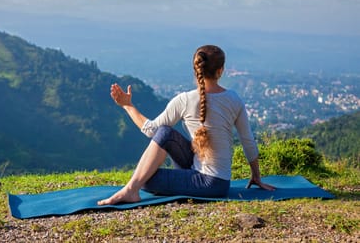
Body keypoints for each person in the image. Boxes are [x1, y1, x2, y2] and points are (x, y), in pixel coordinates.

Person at [98, 45, 275, 206]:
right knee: (165, 134)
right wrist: (256, 176)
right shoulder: (234, 99)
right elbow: (248, 141)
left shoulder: (184, 100)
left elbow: (150, 130)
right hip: (219, 181)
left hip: (209, 184)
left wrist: (128, 106)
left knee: (144, 179)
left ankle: (131, 190)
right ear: (221, 71)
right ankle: (132, 188)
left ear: (195, 69)